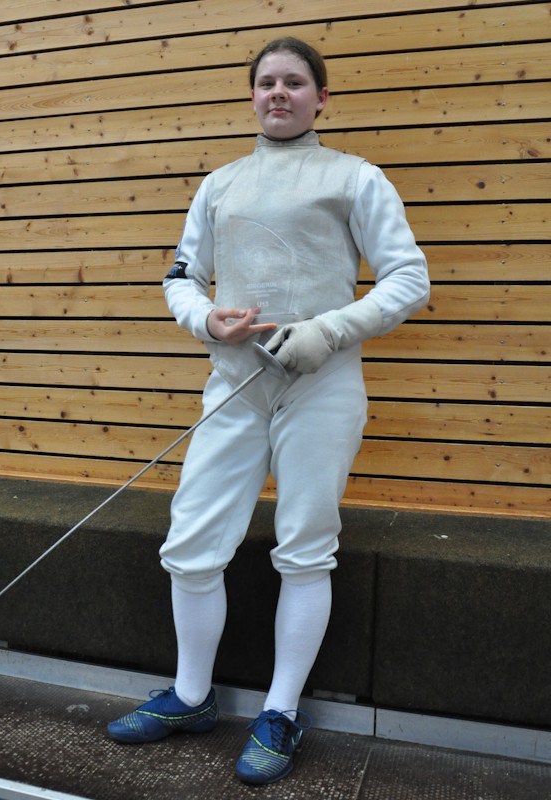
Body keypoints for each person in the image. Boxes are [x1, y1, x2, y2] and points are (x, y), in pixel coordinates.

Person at [108, 36, 430, 785]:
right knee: (191, 545)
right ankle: (192, 697)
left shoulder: (355, 177)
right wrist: (204, 319)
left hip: (321, 387)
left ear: (321, 97)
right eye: (266, 83)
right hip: (234, 386)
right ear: (252, 96)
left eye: (294, 82)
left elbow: (408, 278)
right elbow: (181, 276)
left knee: (305, 548)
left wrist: (329, 330)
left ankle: (280, 711)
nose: (278, 93)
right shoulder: (220, 185)